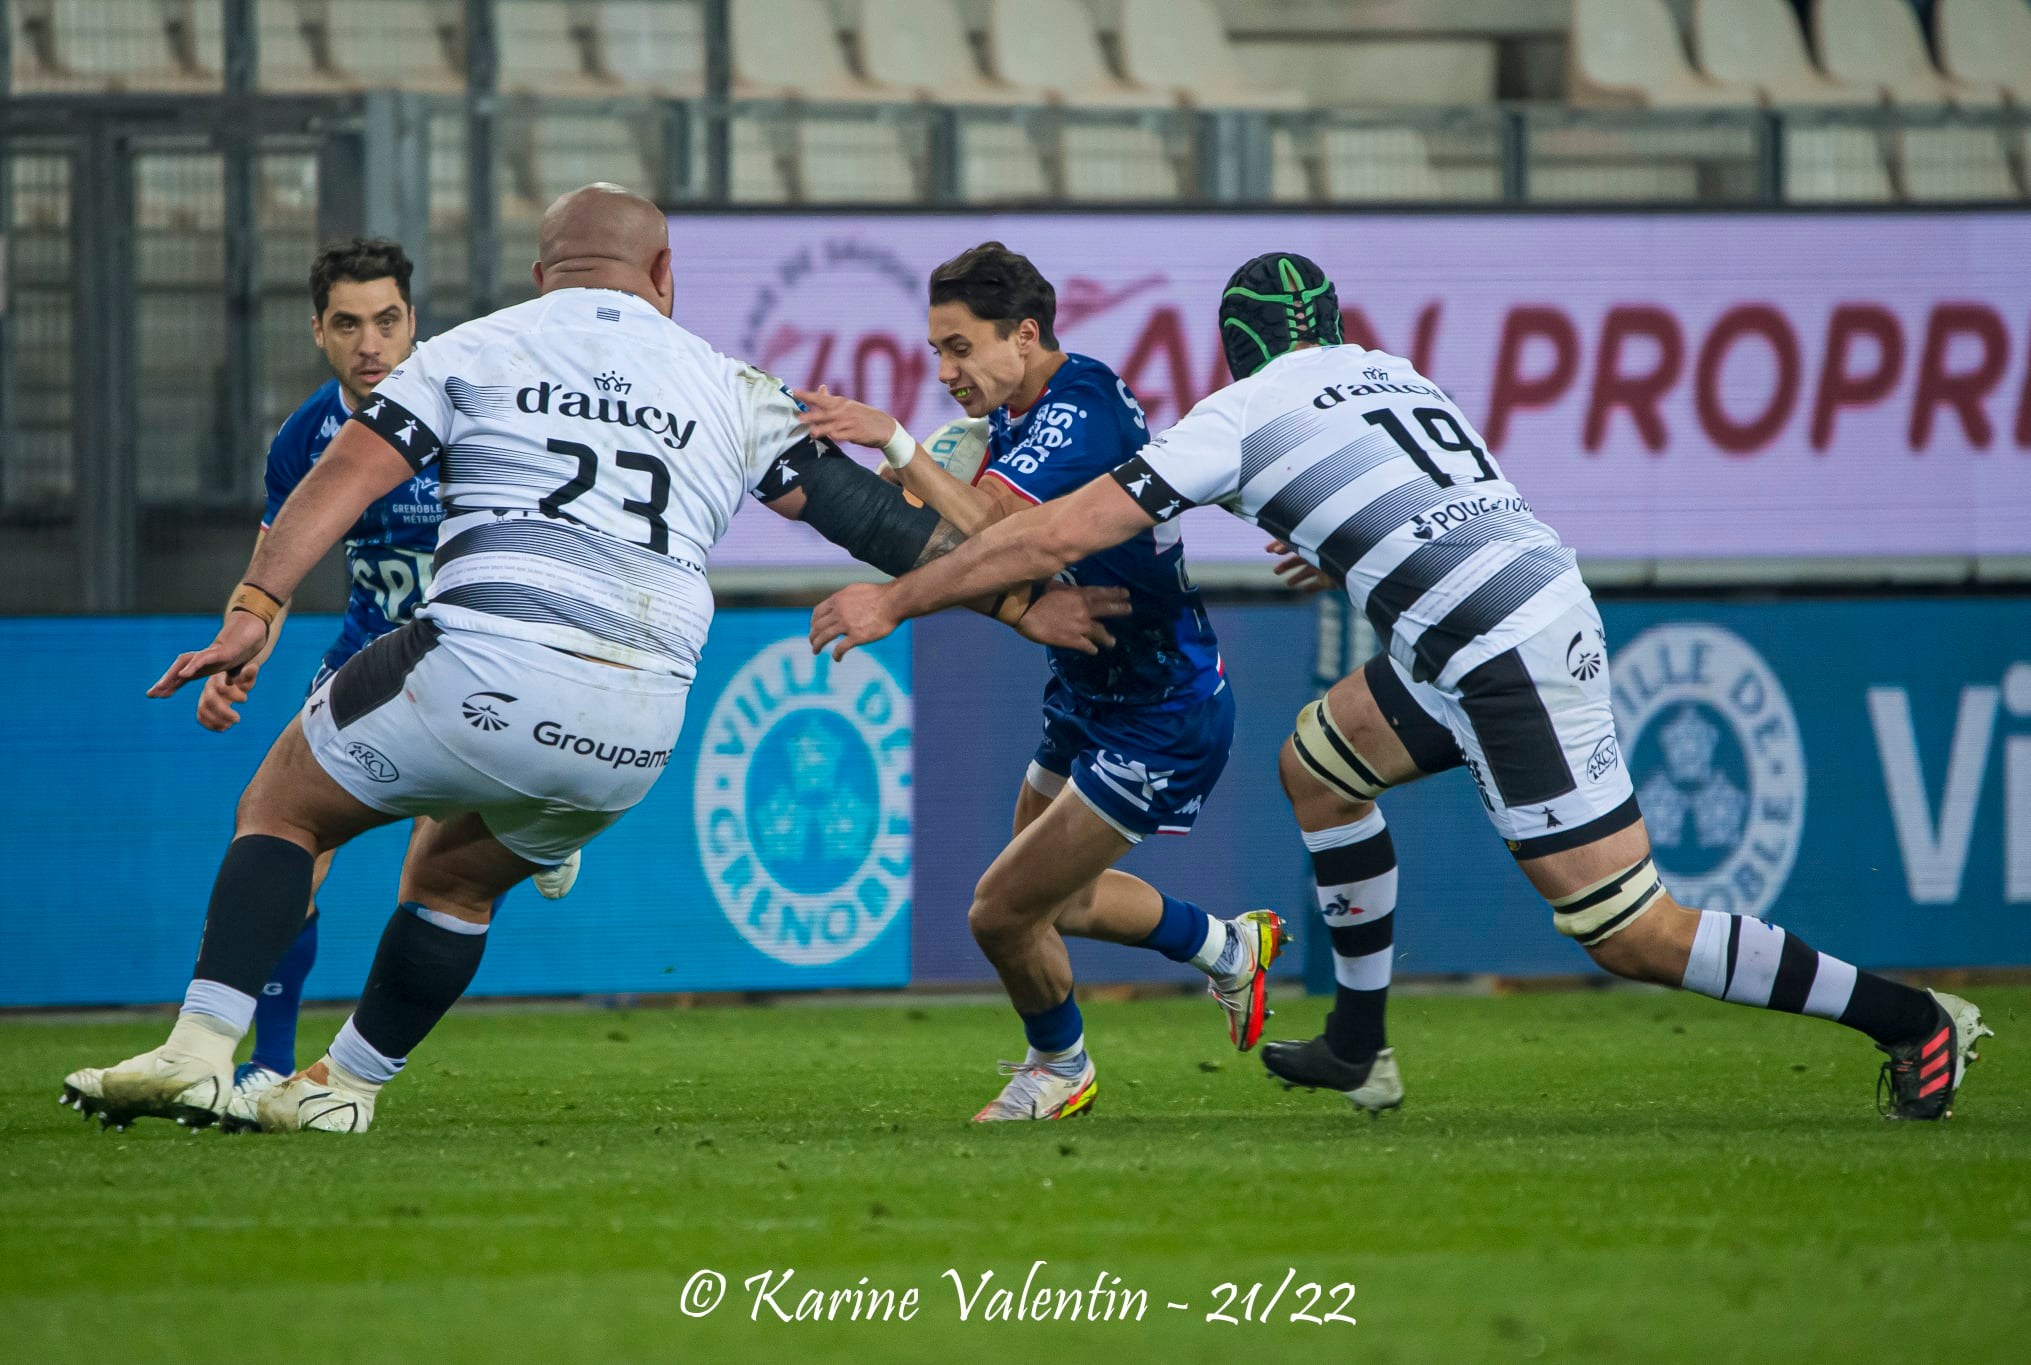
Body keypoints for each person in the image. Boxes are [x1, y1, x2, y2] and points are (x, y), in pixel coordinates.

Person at [809, 251, 1994, 1124]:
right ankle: (1361, 1045)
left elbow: (1047, 534)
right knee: (1320, 765)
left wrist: (892, 597)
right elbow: (1441, 501)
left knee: (1628, 932)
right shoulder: (1391, 373)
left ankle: (1912, 1021)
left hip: (1498, 651)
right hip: (1484, 618)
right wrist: (1335, 541)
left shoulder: (1238, 412)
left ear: (1237, 351)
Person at [59, 184, 1123, 1136]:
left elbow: (347, 472)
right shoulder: (730, 383)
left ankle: (199, 1054)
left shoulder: (479, 346)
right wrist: (1021, 606)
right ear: (665, 277)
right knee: (455, 880)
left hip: (481, 659)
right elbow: (885, 533)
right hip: (639, 726)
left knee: (285, 807)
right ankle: (345, 1087)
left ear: (541, 275)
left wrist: (256, 606)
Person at [793, 242, 1285, 1123]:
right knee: (1051, 901)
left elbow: (1000, 533)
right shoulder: (1018, 418)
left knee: (999, 913)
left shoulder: (1079, 404)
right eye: (936, 351)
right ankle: (1227, 947)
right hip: (1085, 692)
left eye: (959, 347)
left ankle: (1059, 1068)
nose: (945, 370)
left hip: (1159, 708)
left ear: (1023, 334)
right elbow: (978, 544)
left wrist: (897, 445)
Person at [192, 238, 581, 1125]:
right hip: (367, 661)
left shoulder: (474, 409)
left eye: (388, 320)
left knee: (443, 861)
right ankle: (270, 1065)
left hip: (478, 663)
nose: (371, 342)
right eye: (348, 324)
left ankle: (543, 823)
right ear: (319, 333)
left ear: (414, 322)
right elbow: (275, 566)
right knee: (295, 848)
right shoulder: (306, 439)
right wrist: (238, 653)